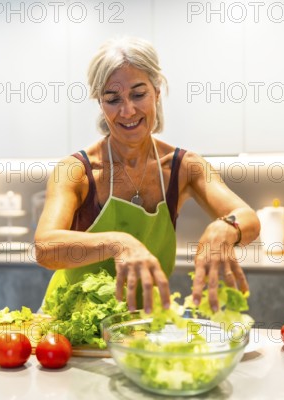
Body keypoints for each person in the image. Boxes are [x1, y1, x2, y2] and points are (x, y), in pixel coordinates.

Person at [34, 37, 260, 314]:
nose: (127, 111)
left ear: (157, 91)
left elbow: (247, 217)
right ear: (100, 103)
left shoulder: (183, 167)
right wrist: (119, 243)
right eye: (113, 99)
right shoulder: (76, 170)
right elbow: (45, 247)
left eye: (138, 94)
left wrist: (226, 227)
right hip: (71, 330)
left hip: (140, 327)